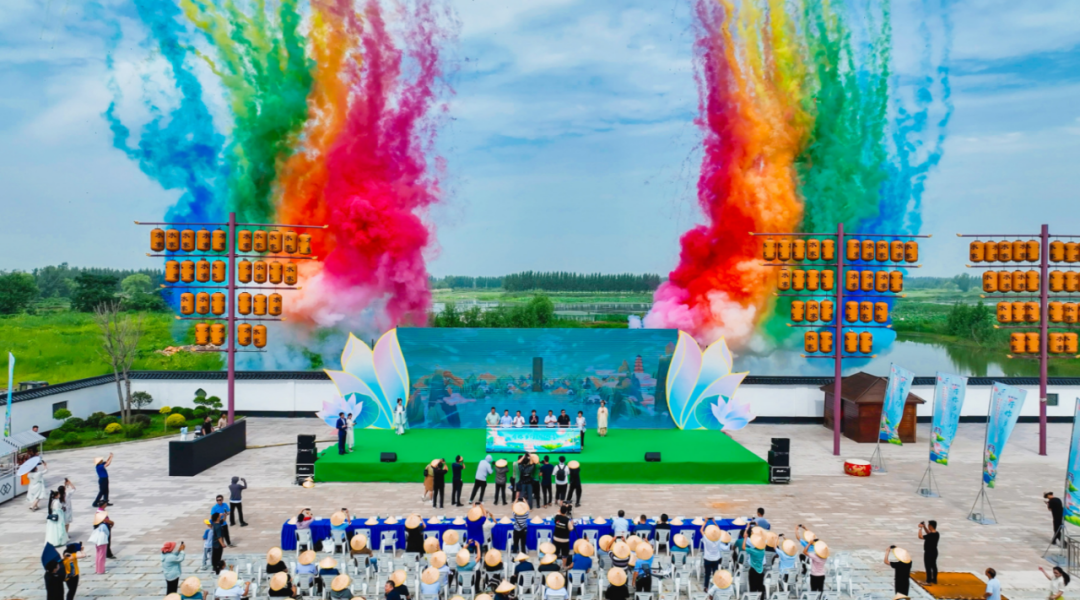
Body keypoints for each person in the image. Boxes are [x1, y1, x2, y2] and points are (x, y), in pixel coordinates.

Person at [742, 528, 766, 594]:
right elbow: (762, 540)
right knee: (760, 586)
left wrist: (745, 538)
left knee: (752, 588)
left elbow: (743, 547)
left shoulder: (753, 551)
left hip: (753, 571)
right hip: (761, 571)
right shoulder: (763, 550)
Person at [918, 520, 939, 585]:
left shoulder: (930, 536)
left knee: (928, 566)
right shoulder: (937, 533)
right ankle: (934, 579)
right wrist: (924, 527)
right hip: (934, 552)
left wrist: (920, 528)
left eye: (928, 525)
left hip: (928, 552)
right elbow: (928, 533)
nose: (928, 526)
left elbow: (920, 536)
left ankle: (928, 581)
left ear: (931, 526)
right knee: (933, 565)